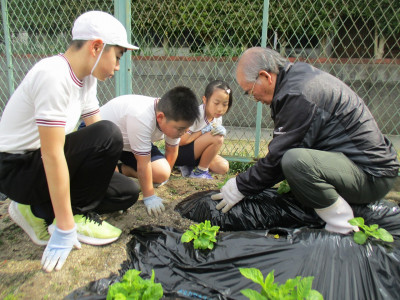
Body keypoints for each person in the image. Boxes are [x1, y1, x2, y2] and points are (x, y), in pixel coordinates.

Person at [0, 11, 141, 272]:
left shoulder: (86, 79)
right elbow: (53, 153)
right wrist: (65, 229)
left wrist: (99, 174)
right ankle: (62, 218)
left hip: (41, 164)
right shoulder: (53, 75)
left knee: (127, 192)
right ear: (97, 47)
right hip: (19, 169)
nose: (118, 66)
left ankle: (41, 208)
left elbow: (95, 131)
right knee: (110, 133)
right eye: (118, 57)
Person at [212, 47, 399, 234]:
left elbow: (279, 158)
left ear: (266, 76)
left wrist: (240, 186)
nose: (254, 98)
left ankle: (342, 226)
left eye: (250, 91)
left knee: (295, 161)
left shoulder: (298, 94)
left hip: (371, 176)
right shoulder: (295, 79)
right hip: (358, 167)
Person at [98, 86, 199, 216]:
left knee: (161, 173)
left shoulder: (172, 118)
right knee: (110, 184)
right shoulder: (141, 116)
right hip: (103, 139)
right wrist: (149, 196)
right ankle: (112, 170)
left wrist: (165, 177)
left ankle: (122, 169)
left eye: (186, 129)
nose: (183, 133)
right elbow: (143, 163)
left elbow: (172, 151)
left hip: (128, 144)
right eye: (180, 129)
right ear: (160, 117)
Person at [175, 80, 232, 179]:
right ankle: (200, 172)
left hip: (197, 154)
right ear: (205, 100)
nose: (220, 109)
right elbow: (182, 141)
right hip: (180, 153)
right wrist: (203, 131)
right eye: (216, 103)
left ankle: (193, 167)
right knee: (217, 137)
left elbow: (209, 144)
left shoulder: (217, 116)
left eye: (225, 104)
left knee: (223, 167)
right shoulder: (196, 114)